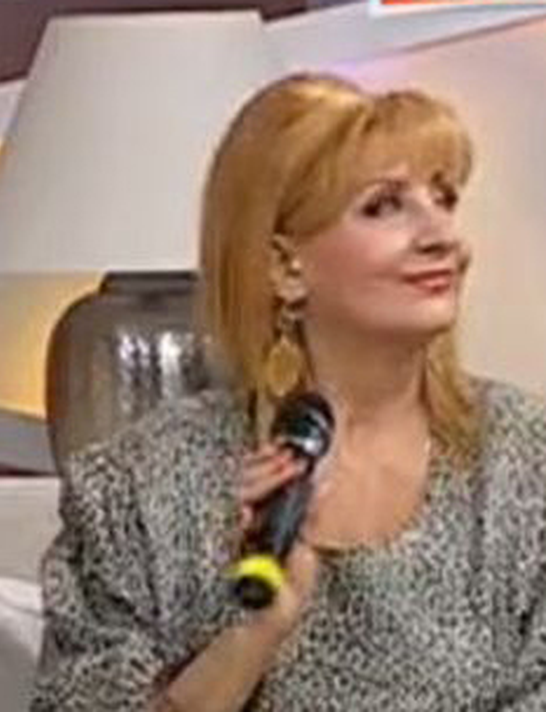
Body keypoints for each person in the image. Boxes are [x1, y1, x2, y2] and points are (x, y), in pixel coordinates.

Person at [30, 72, 546, 711]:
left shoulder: (525, 464)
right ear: (283, 267)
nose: (444, 237)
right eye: (384, 206)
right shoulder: (140, 489)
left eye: (444, 199)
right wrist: (254, 633)